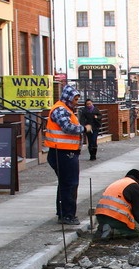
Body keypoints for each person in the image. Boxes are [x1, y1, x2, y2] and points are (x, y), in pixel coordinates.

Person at [46, 84, 89, 225]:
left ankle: (64, 213)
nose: (77, 102)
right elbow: (67, 127)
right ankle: (67, 215)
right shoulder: (60, 110)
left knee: (65, 184)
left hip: (64, 152)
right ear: (68, 98)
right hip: (63, 153)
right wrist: (84, 128)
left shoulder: (65, 109)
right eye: (75, 99)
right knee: (70, 184)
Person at [94, 169, 139, 240]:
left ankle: (102, 228)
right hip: (115, 216)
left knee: (111, 222)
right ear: (138, 180)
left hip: (100, 215)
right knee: (138, 232)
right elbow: (138, 210)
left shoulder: (118, 182)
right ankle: (113, 232)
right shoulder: (135, 186)